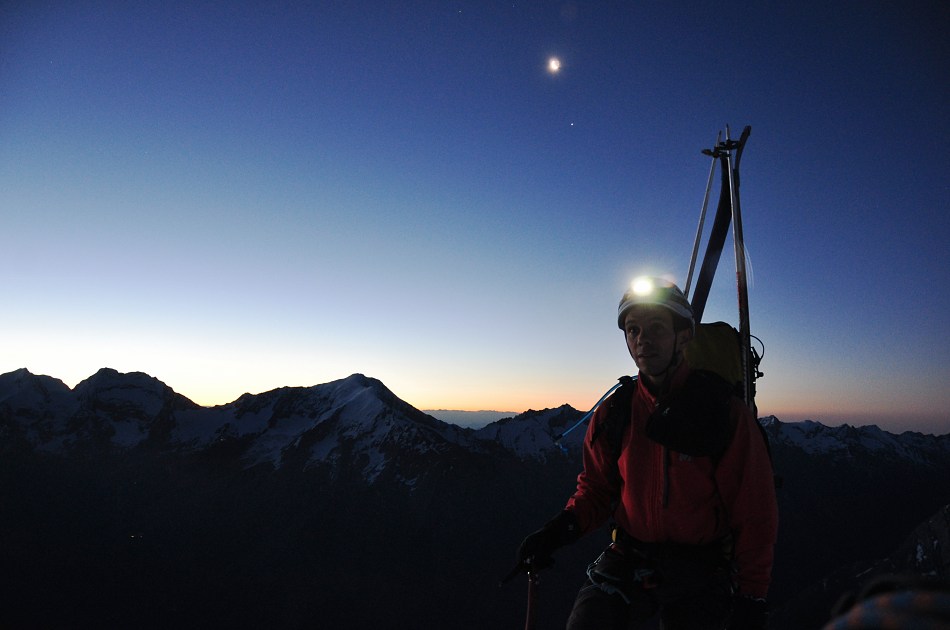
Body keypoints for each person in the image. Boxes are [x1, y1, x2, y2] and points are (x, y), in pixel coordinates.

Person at [514, 277, 778, 630]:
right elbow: (596, 490)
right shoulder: (615, 413)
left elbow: (754, 510)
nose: (642, 340)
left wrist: (752, 595)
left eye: (656, 328)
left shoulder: (724, 414)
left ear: (684, 337)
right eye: (633, 330)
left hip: (702, 566)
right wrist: (559, 530)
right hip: (630, 556)